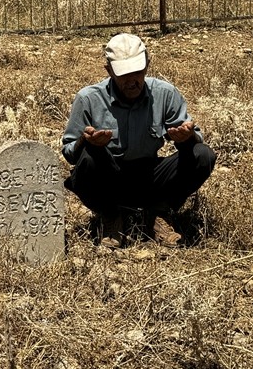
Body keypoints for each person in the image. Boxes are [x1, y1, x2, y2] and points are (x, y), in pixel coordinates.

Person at [61, 33, 215, 245]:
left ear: (147, 65)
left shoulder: (165, 94)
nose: (132, 80)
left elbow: (193, 138)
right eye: (124, 74)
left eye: (138, 71)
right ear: (109, 71)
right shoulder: (88, 99)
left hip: (150, 176)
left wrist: (186, 137)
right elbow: (70, 153)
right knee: (87, 159)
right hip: (109, 178)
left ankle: (159, 213)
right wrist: (86, 142)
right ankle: (111, 216)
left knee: (203, 155)